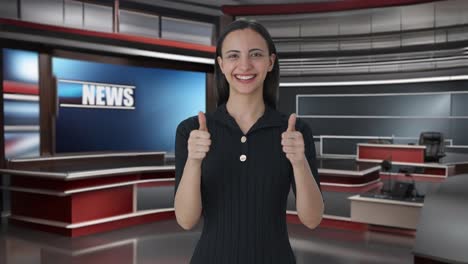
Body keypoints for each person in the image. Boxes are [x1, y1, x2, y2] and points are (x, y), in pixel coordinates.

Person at [174, 19, 324, 264]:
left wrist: (299, 163)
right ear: (221, 65)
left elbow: (312, 219)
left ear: (270, 62)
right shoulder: (191, 130)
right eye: (233, 56)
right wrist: (193, 161)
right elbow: (186, 220)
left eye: (255, 54)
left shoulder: (295, 131)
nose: (244, 65)